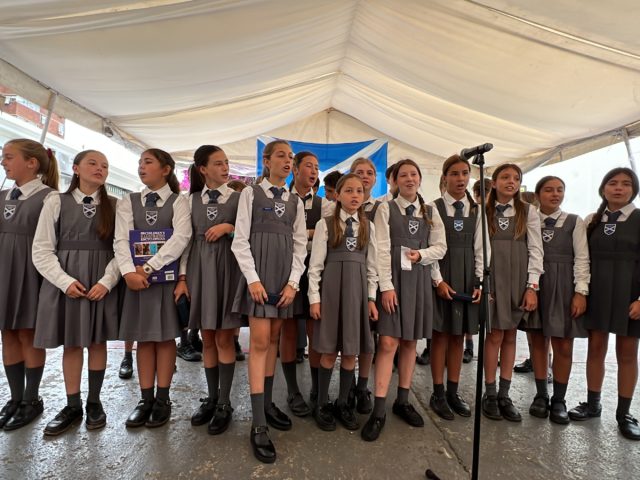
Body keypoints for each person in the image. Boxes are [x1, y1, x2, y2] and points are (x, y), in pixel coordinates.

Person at [32, 150, 120, 435]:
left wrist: (107, 281)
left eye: (105, 165)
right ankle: (72, 405)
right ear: (76, 168)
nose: (100, 168)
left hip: (100, 284)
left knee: (97, 342)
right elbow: (42, 248)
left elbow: (121, 250)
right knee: (71, 344)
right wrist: (64, 281)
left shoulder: (116, 206)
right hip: (67, 283)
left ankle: (95, 402)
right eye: (92, 163)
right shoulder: (56, 201)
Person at [231, 140, 307, 463]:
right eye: (281, 155)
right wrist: (253, 279)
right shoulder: (250, 194)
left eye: (291, 157)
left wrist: (293, 283)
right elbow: (240, 241)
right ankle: (258, 424)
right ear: (266, 160)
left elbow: (300, 244)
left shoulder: (295, 201)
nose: (288, 161)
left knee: (274, 340)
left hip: (283, 280)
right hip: (260, 277)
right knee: (260, 342)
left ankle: (266, 404)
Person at [362, 159, 446, 441]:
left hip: (418, 280)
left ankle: (403, 401)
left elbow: (440, 247)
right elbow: (380, 250)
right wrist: (386, 287)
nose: (409, 179)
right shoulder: (385, 209)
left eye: (414, 174)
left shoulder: (430, 211)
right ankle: (379, 410)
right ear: (395, 181)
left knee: (410, 342)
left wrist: (421, 255)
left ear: (420, 179)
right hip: (393, 281)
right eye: (403, 175)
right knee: (388, 343)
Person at [115, 148, 191, 428]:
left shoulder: (179, 202)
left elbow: (181, 239)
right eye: (140, 163)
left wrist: (147, 268)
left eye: (147, 162)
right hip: (136, 282)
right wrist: (128, 272)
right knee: (143, 339)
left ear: (166, 169)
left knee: (165, 339)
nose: (141, 167)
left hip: (163, 282)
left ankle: (162, 399)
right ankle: (145, 399)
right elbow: (120, 240)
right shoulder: (128, 201)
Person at [175, 145, 244, 435]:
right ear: (203, 169)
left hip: (228, 270)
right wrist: (182, 277)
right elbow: (185, 242)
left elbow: (250, 234)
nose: (225, 167)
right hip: (200, 272)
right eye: (218, 163)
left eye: (226, 162)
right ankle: (212, 397)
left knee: (225, 337)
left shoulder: (240, 198)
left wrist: (229, 227)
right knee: (208, 338)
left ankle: (225, 402)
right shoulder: (189, 200)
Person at [569, 168, 640, 440]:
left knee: (627, 354)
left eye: (626, 184)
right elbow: (583, 259)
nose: (619, 188)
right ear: (603, 188)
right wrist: (582, 292)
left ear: (634, 189)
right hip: (597, 293)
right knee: (595, 349)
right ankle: (593, 404)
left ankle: (624, 414)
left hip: (630, 297)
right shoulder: (592, 220)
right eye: (613, 183)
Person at [308, 173, 378, 431]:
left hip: (357, 295)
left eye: (359, 191)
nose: (354, 195)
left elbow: (372, 267)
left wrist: (371, 298)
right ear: (337, 195)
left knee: (350, 351)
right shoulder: (326, 224)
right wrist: (314, 299)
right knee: (328, 351)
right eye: (348, 190)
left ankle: (344, 403)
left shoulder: (368, 227)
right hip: (331, 294)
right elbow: (315, 266)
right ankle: (321, 403)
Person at [0, 139, 58, 431]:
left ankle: (31, 399)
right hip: (3, 272)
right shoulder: (2, 195)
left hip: (31, 271)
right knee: (7, 332)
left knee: (28, 332)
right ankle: (14, 397)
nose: (3, 162)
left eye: (9, 157)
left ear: (32, 163)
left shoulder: (50, 197)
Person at [481, 163, 543, 423]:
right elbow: (478, 250)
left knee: (510, 336)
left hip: (518, 280)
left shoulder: (528, 211)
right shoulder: (483, 211)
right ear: (494, 183)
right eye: (505, 177)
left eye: (516, 178)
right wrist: (482, 284)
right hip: (494, 278)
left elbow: (536, 250)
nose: (511, 182)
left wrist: (531, 286)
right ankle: (490, 393)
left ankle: (504, 394)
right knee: (494, 335)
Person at [429, 154, 488, 421]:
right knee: (440, 335)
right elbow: (431, 247)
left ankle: (453, 391)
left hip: (466, 278)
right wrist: (438, 280)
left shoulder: (477, 211)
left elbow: (481, 249)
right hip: (442, 275)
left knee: (458, 336)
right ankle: (438, 393)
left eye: (465, 173)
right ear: (445, 178)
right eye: (454, 173)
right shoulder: (433, 208)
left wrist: (479, 281)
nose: (460, 178)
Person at [526, 176, 589, 424]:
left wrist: (580, 292)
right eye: (549, 190)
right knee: (538, 341)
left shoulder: (574, 221)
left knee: (563, 344)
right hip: (536, 285)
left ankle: (559, 399)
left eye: (559, 190)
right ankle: (541, 394)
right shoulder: (530, 220)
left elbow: (582, 258)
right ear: (538, 194)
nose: (555, 194)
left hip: (563, 287)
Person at [282, 151, 334, 415]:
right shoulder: (283, 199)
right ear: (295, 169)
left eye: (316, 167)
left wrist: (304, 234)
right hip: (287, 272)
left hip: (314, 272)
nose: (314, 171)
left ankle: (316, 388)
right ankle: (292, 390)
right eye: (309, 166)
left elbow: (330, 232)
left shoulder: (325, 204)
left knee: (315, 331)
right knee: (289, 331)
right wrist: (311, 233)